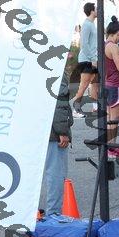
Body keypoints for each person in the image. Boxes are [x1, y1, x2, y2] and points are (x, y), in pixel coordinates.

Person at [44, 72, 73, 215]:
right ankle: (53, 215)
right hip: (52, 133)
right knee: (55, 174)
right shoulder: (55, 69)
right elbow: (59, 103)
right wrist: (62, 131)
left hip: (36, 130)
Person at [104, 17, 119, 159]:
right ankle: (111, 148)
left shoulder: (104, 45)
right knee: (115, 119)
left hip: (109, 84)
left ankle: (111, 146)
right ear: (113, 33)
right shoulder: (113, 46)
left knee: (110, 118)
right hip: (117, 85)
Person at [73, 2, 99, 119]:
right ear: (92, 11)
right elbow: (84, 44)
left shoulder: (92, 24)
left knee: (95, 83)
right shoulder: (87, 24)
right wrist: (92, 58)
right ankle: (75, 109)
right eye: (96, 9)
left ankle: (95, 108)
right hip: (86, 60)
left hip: (93, 59)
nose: (98, 11)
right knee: (84, 85)